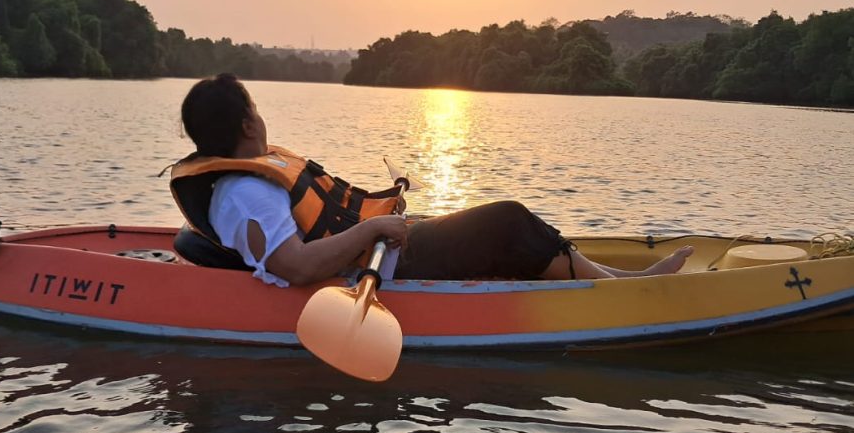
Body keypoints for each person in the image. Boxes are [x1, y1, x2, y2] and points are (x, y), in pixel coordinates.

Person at [171, 74, 692, 286]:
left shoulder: (237, 187)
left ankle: (609, 279)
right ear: (246, 124)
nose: (263, 120)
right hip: (378, 270)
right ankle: (622, 291)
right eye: (256, 111)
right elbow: (293, 265)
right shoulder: (250, 191)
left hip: (380, 253)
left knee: (490, 225)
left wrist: (379, 219)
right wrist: (372, 232)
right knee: (507, 220)